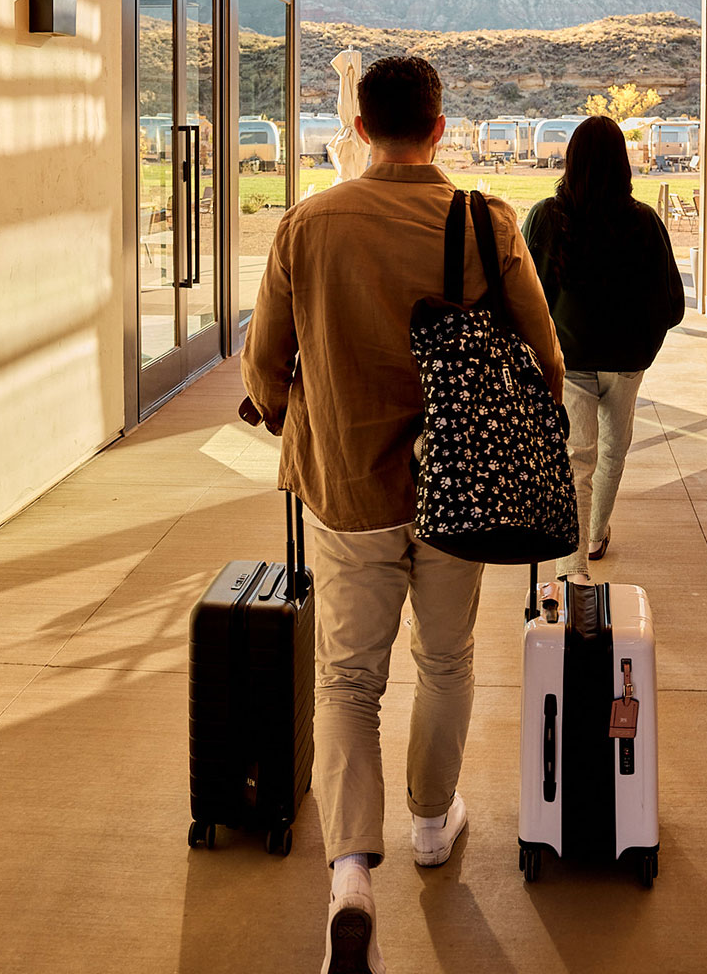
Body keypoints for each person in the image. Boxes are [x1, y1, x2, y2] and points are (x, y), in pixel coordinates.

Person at [242, 56, 564, 974]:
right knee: (446, 659)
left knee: (348, 681)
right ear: (438, 126)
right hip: (457, 491)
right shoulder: (482, 220)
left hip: (348, 488)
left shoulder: (308, 223)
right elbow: (545, 354)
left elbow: (265, 362)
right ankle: (430, 822)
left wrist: (286, 412)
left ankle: (351, 877)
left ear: (358, 125)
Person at [521, 114, 684, 584]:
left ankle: (571, 567)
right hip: (627, 361)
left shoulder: (546, 218)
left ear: (570, 161)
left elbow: (527, 295)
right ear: (622, 163)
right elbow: (673, 303)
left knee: (577, 458)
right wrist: (644, 341)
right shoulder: (644, 222)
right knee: (614, 448)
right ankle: (594, 536)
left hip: (569, 359)